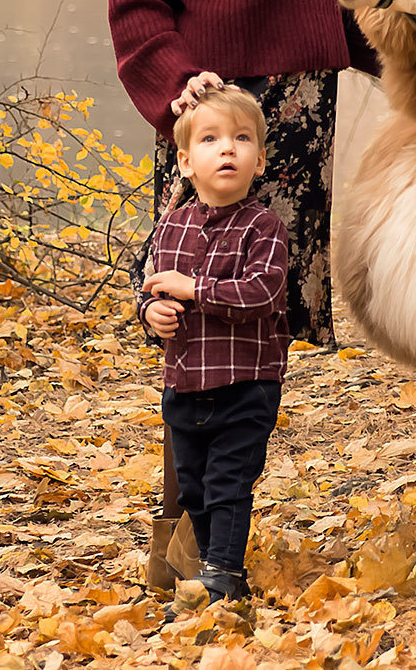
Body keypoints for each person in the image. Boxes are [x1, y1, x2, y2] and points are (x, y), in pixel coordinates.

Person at [108, 0, 379, 587]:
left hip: (300, 115)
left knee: (256, 340)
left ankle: (223, 541)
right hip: (211, 118)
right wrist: (177, 83)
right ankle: (179, 540)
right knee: (196, 335)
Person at [136, 85, 287, 605]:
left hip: (246, 384)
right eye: (211, 139)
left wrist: (195, 289)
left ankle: (225, 572)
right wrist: (150, 312)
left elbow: (263, 292)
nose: (227, 149)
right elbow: (150, 288)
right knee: (194, 484)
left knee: (228, 481)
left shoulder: (263, 227)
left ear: (260, 160)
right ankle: (203, 560)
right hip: (184, 381)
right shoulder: (170, 226)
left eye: (242, 139)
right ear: (185, 161)